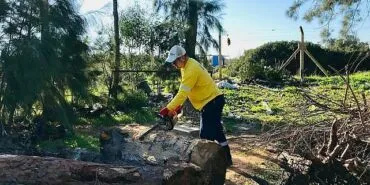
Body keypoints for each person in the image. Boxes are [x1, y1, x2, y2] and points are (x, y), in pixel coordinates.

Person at [159, 45, 232, 167]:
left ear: (182, 57)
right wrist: (178, 106)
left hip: (211, 102)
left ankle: (205, 166)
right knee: (217, 131)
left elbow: (183, 92)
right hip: (212, 100)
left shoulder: (190, 69)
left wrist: (168, 109)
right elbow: (187, 90)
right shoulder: (186, 66)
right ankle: (227, 159)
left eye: (174, 61)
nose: (173, 65)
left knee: (205, 136)